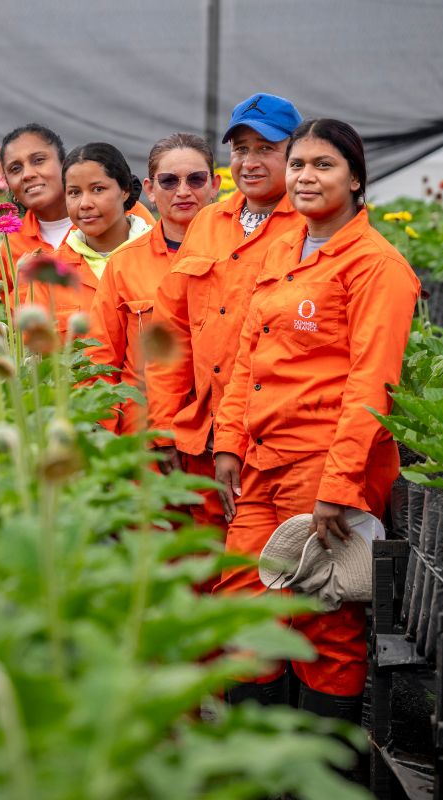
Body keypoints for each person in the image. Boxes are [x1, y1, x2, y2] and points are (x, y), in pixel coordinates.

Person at [211, 119, 420, 718]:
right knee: (247, 605)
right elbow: (248, 353)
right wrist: (228, 442)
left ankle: (320, 775)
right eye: (298, 163)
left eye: (323, 165)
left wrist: (340, 484)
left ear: (356, 179)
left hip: (322, 465)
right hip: (262, 460)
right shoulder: (285, 248)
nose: (305, 176)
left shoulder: (377, 266)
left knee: (322, 621)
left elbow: (372, 385)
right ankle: (259, 763)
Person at [146, 94, 306, 531]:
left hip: (274, 441)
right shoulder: (209, 221)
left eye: (266, 149)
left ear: (295, 155)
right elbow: (171, 331)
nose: (250, 162)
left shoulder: (313, 226)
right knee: (203, 572)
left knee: (267, 576)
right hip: (203, 436)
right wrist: (163, 427)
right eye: (241, 149)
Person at [87, 133, 220, 434]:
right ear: (149, 189)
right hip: (145, 440)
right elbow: (100, 360)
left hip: (219, 437)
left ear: (215, 186)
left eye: (196, 179)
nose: (183, 191)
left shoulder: (241, 258)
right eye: (169, 181)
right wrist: (104, 441)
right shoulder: (123, 264)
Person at [0, 124, 154, 293]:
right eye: (15, 169)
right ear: (7, 183)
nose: (27, 174)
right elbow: (12, 308)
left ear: (64, 165)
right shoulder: (11, 244)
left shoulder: (129, 215)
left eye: (39, 160)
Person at [29, 143, 150, 337]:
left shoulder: (163, 257)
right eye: (74, 192)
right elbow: (37, 357)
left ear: (125, 190)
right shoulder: (48, 274)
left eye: (98, 189)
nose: (85, 204)